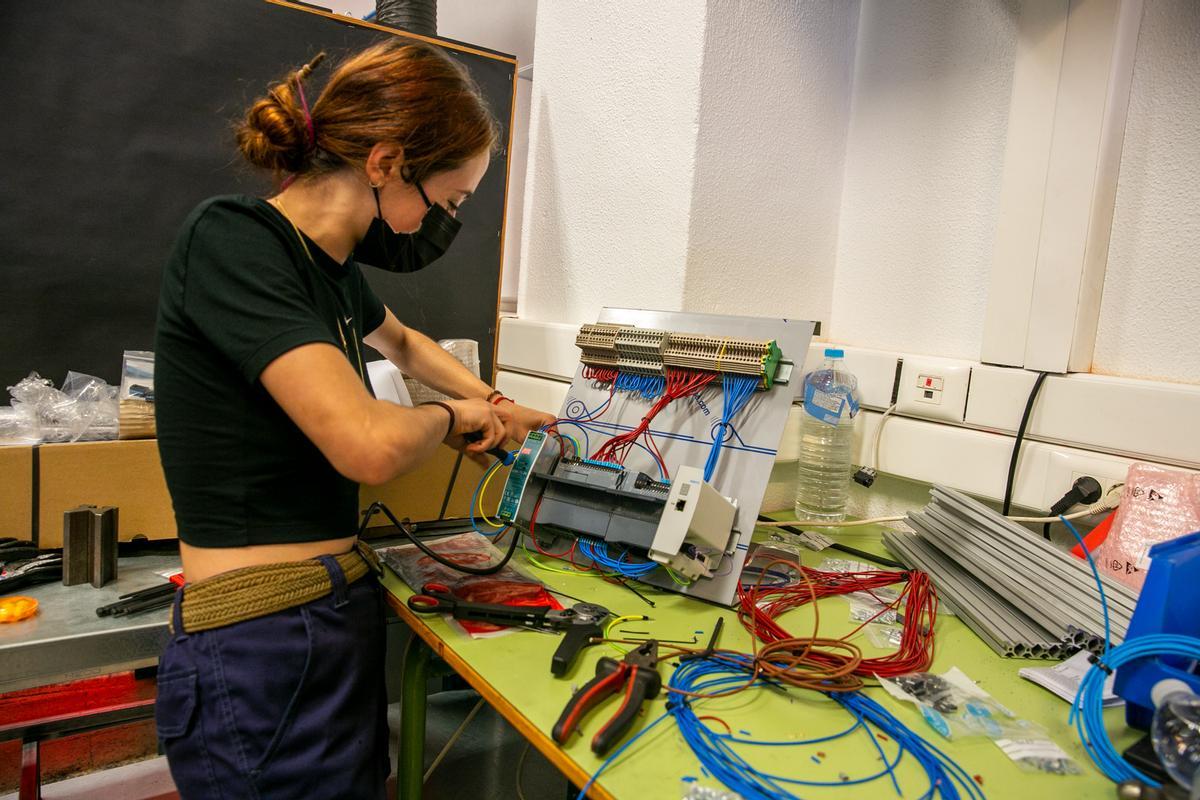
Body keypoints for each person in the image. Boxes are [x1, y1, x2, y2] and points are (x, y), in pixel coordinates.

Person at [152, 39, 554, 799]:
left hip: (326, 618)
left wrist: (497, 410)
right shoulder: (235, 242)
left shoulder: (328, 272)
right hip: (259, 641)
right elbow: (367, 446)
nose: (445, 223)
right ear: (385, 162)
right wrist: (452, 417)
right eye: (451, 200)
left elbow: (402, 342)